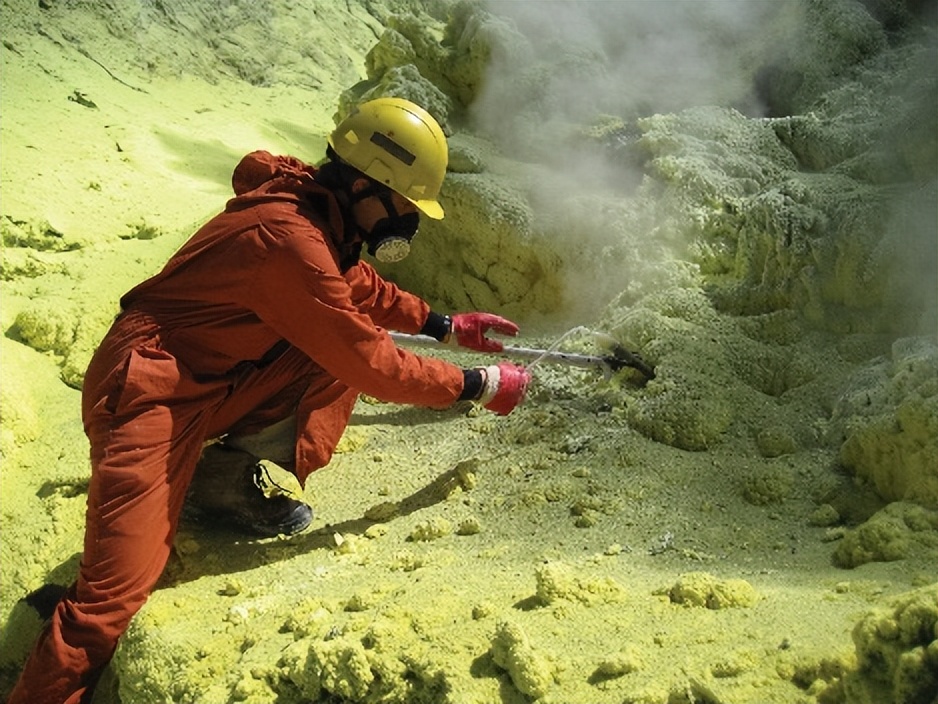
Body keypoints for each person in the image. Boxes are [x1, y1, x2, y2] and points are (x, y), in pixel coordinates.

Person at [8, 97, 531, 704]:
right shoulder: (284, 240)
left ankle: (220, 480)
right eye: (406, 207)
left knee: (327, 351)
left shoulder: (318, 218)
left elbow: (352, 284)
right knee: (111, 598)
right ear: (364, 185)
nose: (408, 224)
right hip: (147, 391)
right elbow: (369, 360)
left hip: (209, 379)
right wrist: (477, 384)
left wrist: (443, 323)